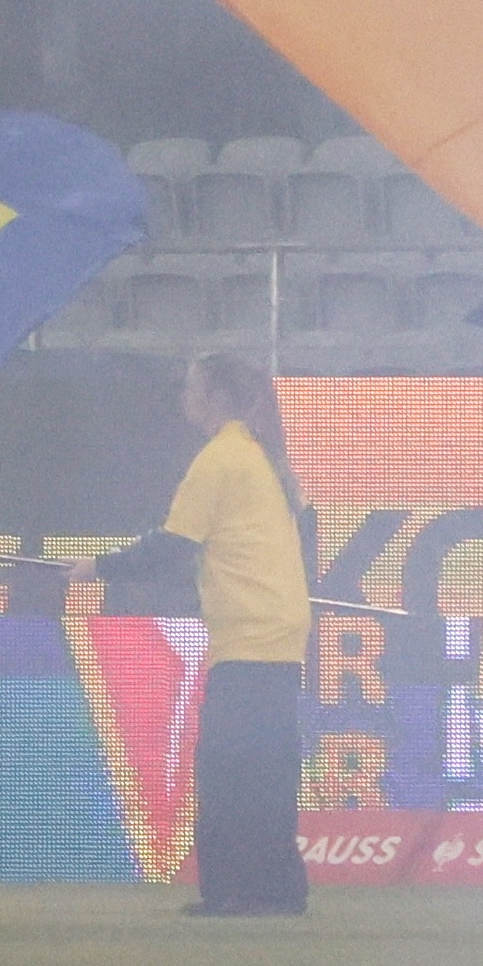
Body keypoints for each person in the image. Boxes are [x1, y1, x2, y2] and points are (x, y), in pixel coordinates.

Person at [100, 349, 310, 919]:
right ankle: (278, 890)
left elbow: (172, 547)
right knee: (266, 772)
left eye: (191, 389)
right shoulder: (258, 454)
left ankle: (232, 892)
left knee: (226, 772)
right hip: (279, 632)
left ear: (215, 398)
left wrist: (98, 567)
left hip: (247, 636)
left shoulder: (220, 459)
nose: (184, 399)